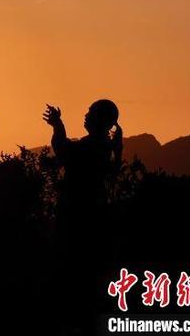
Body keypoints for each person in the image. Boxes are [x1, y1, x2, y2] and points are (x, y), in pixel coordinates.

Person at [43, 99, 123, 334]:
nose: (86, 115)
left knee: (73, 276)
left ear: (102, 120)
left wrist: (58, 126)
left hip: (76, 218)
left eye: (91, 112)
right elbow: (112, 171)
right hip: (93, 217)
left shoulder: (93, 146)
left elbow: (65, 152)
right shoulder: (104, 147)